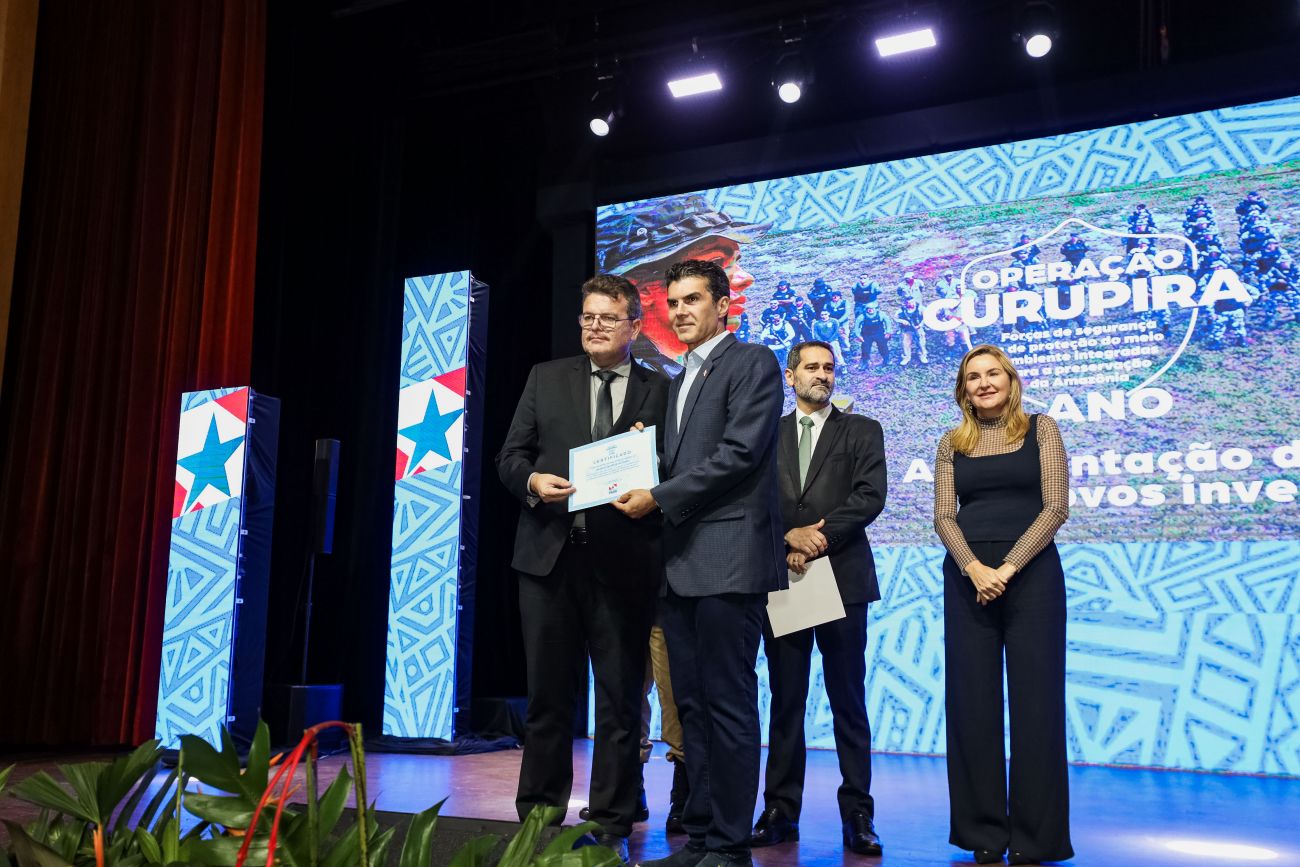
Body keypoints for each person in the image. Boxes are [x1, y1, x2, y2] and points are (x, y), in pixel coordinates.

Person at [614, 258, 785, 867]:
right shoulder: (678, 376)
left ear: (722, 305)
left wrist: (658, 494)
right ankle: (704, 838)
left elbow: (739, 454)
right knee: (691, 707)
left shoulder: (753, 362)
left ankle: (731, 847)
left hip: (728, 560)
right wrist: (641, 453)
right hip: (679, 565)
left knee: (728, 704)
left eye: (693, 300)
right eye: (674, 302)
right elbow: (679, 459)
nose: (680, 311)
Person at [496, 274, 671, 864]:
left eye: (608, 318)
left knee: (620, 701)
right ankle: (539, 817)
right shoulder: (545, 378)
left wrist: (651, 473)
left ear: (634, 326)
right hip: (549, 560)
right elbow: (510, 456)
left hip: (625, 564)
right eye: (588, 317)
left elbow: (674, 466)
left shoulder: (660, 389)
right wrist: (531, 481)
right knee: (548, 698)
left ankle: (612, 820)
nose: (595, 327)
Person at [932, 345, 1072, 866]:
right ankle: (984, 832)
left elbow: (1055, 508)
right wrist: (974, 568)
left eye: (994, 374)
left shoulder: (1043, 429)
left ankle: (1035, 838)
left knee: (1037, 706)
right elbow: (944, 516)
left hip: (1031, 576)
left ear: (1011, 381)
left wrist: (1007, 569)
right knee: (972, 704)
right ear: (963, 390)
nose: (984, 383)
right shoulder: (951, 443)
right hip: (967, 578)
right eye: (974, 377)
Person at [749, 341, 887, 857]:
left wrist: (818, 537)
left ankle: (858, 815)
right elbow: (754, 499)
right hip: (784, 577)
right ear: (790, 376)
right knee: (786, 701)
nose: (822, 375)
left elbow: (870, 496)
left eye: (829, 368)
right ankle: (780, 811)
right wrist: (789, 535)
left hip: (843, 579)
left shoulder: (862, 429)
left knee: (848, 700)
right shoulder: (767, 433)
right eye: (812, 367)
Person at [597, 194, 769, 375]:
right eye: (716, 263)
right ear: (643, 289)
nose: (746, 279)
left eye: (736, 261)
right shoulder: (633, 379)